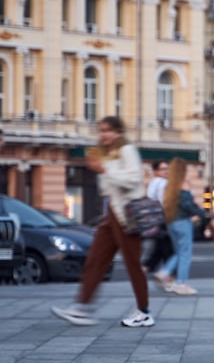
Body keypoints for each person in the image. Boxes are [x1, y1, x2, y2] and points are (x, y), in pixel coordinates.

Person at [51, 116, 154, 327]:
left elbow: (134, 179)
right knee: (95, 260)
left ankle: (143, 311)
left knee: (132, 263)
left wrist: (105, 170)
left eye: (107, 130)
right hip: (111, 215)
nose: (103, 134)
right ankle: (82, 307)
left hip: (127, 216)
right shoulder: (109, 154)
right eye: (100, 130)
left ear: (118, 132)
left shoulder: (127, 150)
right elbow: (108, 188)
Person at [155, 158, 204, 295]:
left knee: (179, 252)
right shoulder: (184, 184)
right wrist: (201, 213)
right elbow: (188, 205)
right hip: (183, 222)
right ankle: (181, 283)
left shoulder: (168, 186)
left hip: (171, 222)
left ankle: (164, 272)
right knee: (185, 253)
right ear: (182, 171)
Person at [142, 160, 174, 276]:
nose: (166, 171)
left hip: (155, 219)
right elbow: (165, 202)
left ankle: (146, 267)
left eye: (167, 169)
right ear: (155, 171)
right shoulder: (162, 183)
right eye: (163, 169)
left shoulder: (152, 182)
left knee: (160, 247)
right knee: (169, 248)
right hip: (164, 218)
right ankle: (168, 275)